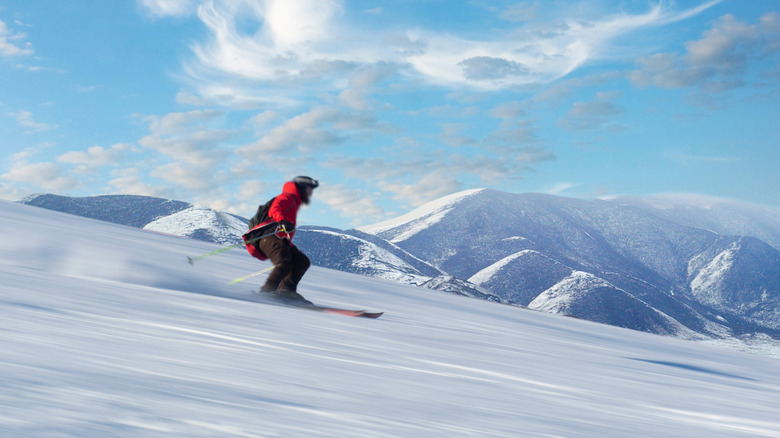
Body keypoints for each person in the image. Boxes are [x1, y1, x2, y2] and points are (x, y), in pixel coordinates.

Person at [243, 176, 319, 303]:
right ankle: (266, 292)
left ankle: (286, 290)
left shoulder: (294, 201)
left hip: (279, 238)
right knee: (284, 261)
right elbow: (276, 209)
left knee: (302, 261)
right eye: (310, 188)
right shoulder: (287, 197)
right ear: (302, 187)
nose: (311, 193)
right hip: (267, 237)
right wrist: (282, 221)